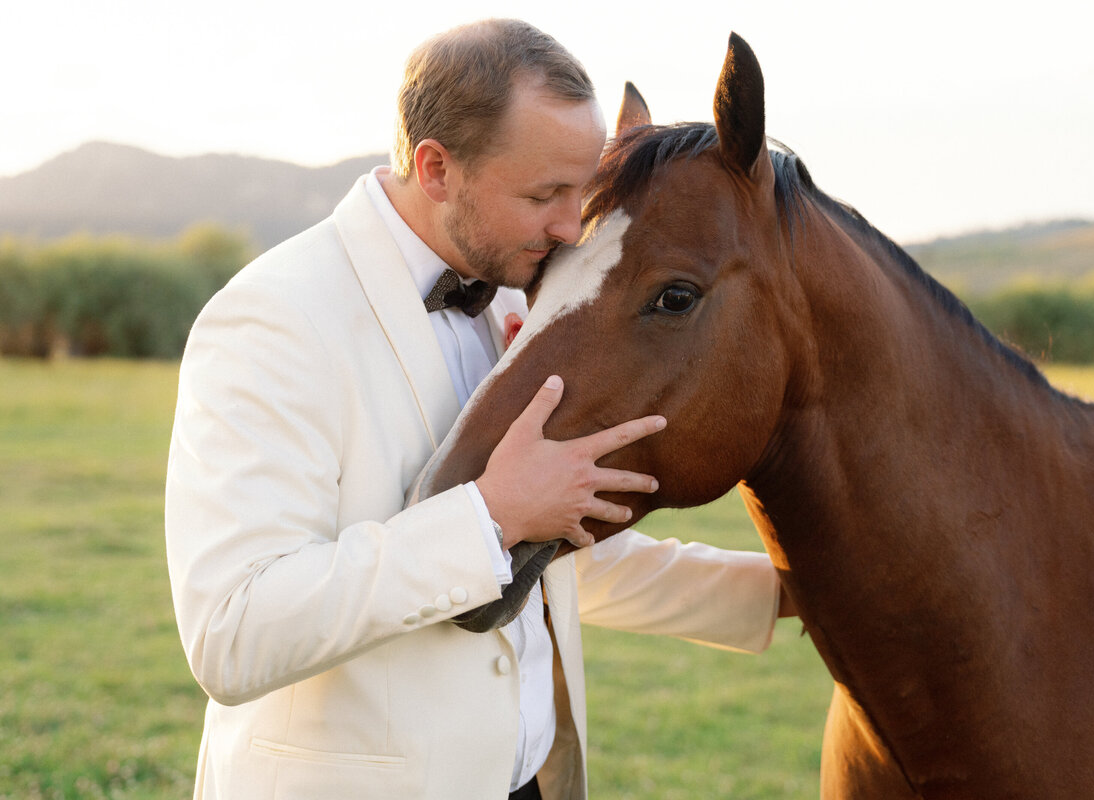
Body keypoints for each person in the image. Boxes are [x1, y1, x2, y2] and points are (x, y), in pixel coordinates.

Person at [165, 18, 788, 800]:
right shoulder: (271, 320)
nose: (571, 226)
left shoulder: (518, 302)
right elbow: (234, 631)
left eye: (580, 190)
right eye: (543, 195)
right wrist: (490, 515)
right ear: (435, 170)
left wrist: (783, 590)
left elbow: (554, 563)